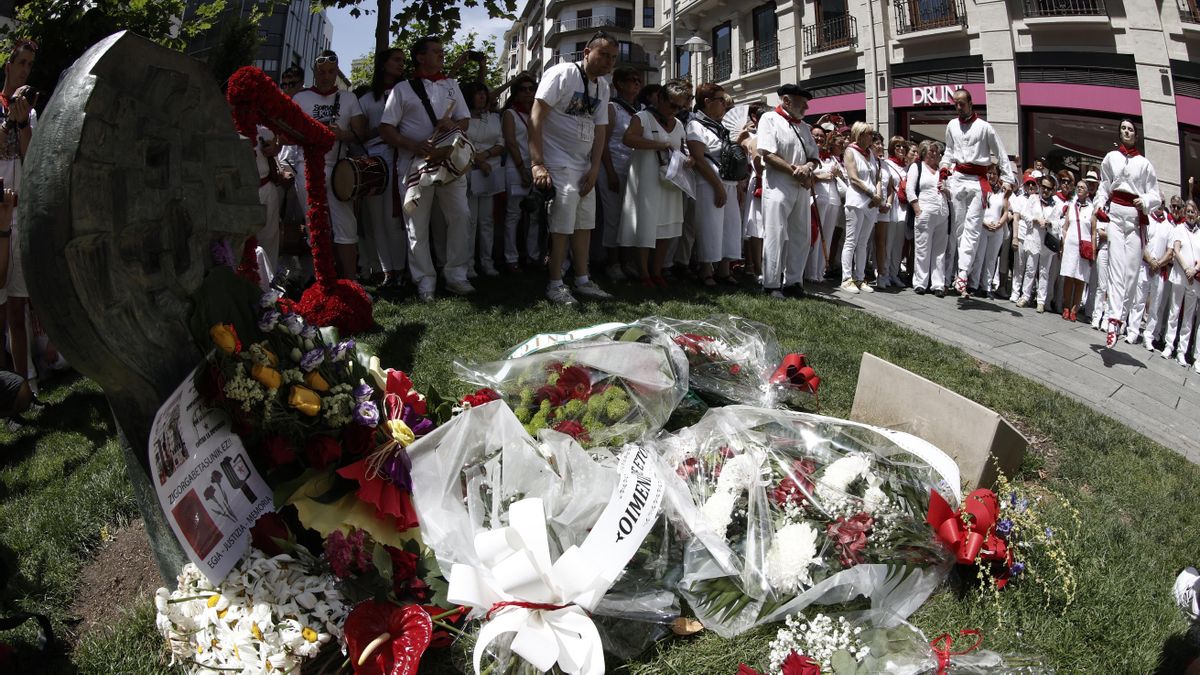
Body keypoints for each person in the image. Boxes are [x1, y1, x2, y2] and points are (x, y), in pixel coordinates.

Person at [529, 31, 618, 306]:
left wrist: (594, 167)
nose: (609, 62)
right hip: (557, 161)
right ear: (587, 53)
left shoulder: (603, 86)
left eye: (613, 58)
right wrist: (537, 163)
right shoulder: (563, 73)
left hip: (583, 165)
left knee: (584, 224)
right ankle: (555, 283)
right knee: (561, 225)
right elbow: (536, 116)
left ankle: (582, 279)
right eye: (604, 55)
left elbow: (600, 130)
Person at [379, 37, 472, 301]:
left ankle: (456, 276)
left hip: (448, 163)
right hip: (414, 165)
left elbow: (465, 120)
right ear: (420, 57)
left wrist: (452, 126)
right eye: (436, 51)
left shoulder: (452, 85)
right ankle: (424, 281)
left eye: (442, 51)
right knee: (416, 225)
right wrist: (413, 145)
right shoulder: (403, 89)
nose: (442, 55)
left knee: (461, 216)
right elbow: (386, 128)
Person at [291, 50, 368, 280]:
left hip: (338, 168)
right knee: (314, 224)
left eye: (331, 72)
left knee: (346, 225)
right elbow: (285, 134)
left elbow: (361, 134)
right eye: (322, 72)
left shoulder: (348, 98)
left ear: (336, 72)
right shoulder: (300, 99)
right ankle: (322, 279)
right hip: (306, 165)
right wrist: (309, 133)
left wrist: (342, 134)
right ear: (314, 73)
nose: (326, 76)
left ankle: (350, 280)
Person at [941, 88, 1016, 298]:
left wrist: (1008, 178)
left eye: (962, 103)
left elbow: (1000, 152)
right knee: (959, 229)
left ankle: (963, 273)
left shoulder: (984, 127)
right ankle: (961, 271)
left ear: (971, 103)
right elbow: (949, 150)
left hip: (977, 181)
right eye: (955, 104)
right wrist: (944, 166)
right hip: (958, 179)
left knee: (973, 228)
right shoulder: (952, 125)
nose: (958, 107)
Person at [617, 81, 690, 285]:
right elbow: (628, 139)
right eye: (672, 105)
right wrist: (658, 144)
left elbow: (682, 149)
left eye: (679, 107)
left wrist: (689, 160)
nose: (674, 110)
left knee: (666, 226)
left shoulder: (679, 124)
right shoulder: (642, 117)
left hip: (670, 182)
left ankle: (657, 271)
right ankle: (644, 273)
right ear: (660, 98)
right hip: (647, 179)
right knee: (646, 224)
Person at [1096, 119, 1161, 348]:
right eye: (1123, 128)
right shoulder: (1111, 157)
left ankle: (1121, 317)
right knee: (1115, 268)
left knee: (1131, 273)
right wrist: (1099, 204)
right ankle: (1113, 320)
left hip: (1134, 220)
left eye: (1130, 129)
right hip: (1115, 216)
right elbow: (1104, 185)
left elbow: (1155, 195)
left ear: (1136, 135)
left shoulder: (1144, 164)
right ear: (1119, 133)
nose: (1126, 131)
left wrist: (1144, 200)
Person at [758, 84, 819, 298]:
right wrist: (795, 171)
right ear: (786, 101)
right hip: (778, 184)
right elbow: (767, 154)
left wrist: (807, 168)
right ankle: (771, 283)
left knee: (801, 234)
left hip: (801, 186)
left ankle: (794, 281)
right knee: (774, 232)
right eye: (802, 103)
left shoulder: (804, 127)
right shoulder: (769, 119)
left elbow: (814, 157)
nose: (806, 108)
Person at [1, 40, 38, 386]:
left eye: (30, 64)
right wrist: (6, 124)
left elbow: (31, 157)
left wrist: (23, 121)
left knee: (18, 306)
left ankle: (26, 384)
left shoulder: (31, 111)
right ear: (8, 65)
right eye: (21, 62)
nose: (25, 70)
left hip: (20, 214)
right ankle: (7, 391)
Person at [358, 48, 408, 288]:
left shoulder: (408, 91)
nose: (401, 64)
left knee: (395, 218)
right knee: (377, 219)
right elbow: (360, 134)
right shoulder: (367, 99)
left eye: (403, 61)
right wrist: (383, 128)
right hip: (376, 161)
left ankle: (401, 269)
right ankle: (387, 270)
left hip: (403, 155)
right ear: (383, 64)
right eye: (396, 60)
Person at [687, 83, 744, 286]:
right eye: (720, 100)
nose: (724, 104)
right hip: (708, 182)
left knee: (731, 226)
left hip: (728, 181)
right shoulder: (695, 125)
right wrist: (718, 186)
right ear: (707, 102)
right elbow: (698, 158)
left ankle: (724, 270)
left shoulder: (721, 126)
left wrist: (737, 185)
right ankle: (705, 270)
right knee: (710, 226)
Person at [599, 66, 642, 281]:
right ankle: (613, 262)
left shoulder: (641, 110)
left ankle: (628, 261)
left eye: (638, 80)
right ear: (620, 84)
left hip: (634, 170)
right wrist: (609, 172)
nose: (637, 83)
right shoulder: (611, 108)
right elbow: (603, 143)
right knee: (613, 216)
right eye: (632, 79)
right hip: (613, 166)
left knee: (631, 217)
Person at [462, 81, 506, 277]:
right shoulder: (462, 119)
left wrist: (485, 156)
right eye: (477, 93)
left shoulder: (495, 118)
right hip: (469, 172)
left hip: (490, 173)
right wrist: (479, 161)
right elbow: (461, 144)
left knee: (487, 220)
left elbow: (501, 143)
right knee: (470, 221)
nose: (482, 96)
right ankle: (468, 264)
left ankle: (487, 262)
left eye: (484, 93)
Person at [500, 73, 537, 271]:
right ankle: (511, 257)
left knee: (535, 214)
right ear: (515, 93)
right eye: (523, 89)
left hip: (537, 168)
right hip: (516, 168)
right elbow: (511, 143)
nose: (528, 93)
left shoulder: (537, 113)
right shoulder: (510, 114)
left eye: (531, 89)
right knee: (513, 214)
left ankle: (533, 255)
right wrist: (522, 169)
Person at [841, 121, 882, 294]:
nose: (872, 137)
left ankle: (859, 277)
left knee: (863, 242)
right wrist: (872, 194)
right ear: (860, 135)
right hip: (857, 200)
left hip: (871, 203)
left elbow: (877, 177)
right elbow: (853, 178)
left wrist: (878, 195)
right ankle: (846, 278)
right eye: (869, 133)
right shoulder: (850, 151)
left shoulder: (870, 153)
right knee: (851, 240)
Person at [1126, 199, 1174, 349]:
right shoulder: (1147, 220)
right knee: (1139, 301)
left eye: (1163, 202)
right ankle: (1133, 332)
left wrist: (1157, 264)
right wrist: (1150, 261)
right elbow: (1142, 242)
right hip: (1145, 265)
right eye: (1158, 201)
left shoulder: (1169, 226)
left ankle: (1148, 336)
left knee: (1155, 306)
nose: (1160, 204)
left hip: (1159, 270)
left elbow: (1170, 251)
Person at [907, 140, 949, 296]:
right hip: (925, 211)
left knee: (940, 251)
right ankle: (920, 283)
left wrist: (946, 189)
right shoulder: (917, 167)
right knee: (923, 248)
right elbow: (910, 189)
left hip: (942, 213)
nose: (934, 154)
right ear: (924, 152)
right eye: (931, 150)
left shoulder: (942, 171)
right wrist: (917, 209)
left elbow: (952, 194)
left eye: (937, 151)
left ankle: (938, 284)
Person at [1161, 200, 1200, 368]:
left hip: (1193, 280)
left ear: (1198, 214)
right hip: (1179, 276)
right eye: (1188, 211)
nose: (1190, 214)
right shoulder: (1179, 229)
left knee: (1188, 318)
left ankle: (1181, 352)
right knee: (1174, 311)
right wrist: (1186, 269)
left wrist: (1194, 270)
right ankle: (1169, 345)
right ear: (1185, 213)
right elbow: (1176, 251)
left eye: (1193, 211)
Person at [1017, 175, 1063, 312]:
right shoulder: (1033, 198)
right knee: (1030, 269)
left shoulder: (1056, 204)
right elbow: (1024, 214)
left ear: (1053, 189)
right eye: (1044, 187)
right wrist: (1035, 219)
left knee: (1044, 271)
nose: (1045, 190)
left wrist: (1049, 223)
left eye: (1049, 188)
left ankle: (1041, 300)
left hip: (1046, 241)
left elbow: (1058, 224)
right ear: (1040, 187)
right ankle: (1025, 296)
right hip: (1034, 238)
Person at [807, 124, 842, 283]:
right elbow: (807, 175)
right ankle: (811, 272)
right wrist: (821, 177)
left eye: (822, 136)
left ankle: (820, 272)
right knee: (816, 236)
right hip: (817, 197)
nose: (819, 138)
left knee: (827, 237)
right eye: (816, 135)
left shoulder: (831, 157)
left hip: (833, 199)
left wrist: (836, 173)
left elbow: (841, 175)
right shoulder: (809, 155)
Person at [875, 136, 908, 289]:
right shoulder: (887, 164)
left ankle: (894, 273)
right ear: (892, 148)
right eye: (897, 146)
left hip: (903, 207)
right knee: (887, 242)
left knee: (898, 244)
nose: (901, 149)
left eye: (903, 146)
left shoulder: (907, 167)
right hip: (891, 206)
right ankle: (884, 273)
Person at [1059, 180, 1094, 321]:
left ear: (1088, 192)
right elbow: (1065, 226)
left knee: (1080, 279)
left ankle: (1075, 309)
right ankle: (1066, 307)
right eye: (1078, 187)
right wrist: (1064, 243)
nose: (1079, 189)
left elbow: (1093, 232)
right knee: (1068, 276)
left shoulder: (1092, 209)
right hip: (1070, 245)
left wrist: (1093, 251)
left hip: (1084, 247)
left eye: (1082, 187)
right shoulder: (1071, 206)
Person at [974, 165, 1010, 299]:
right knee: (979, 257)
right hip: (983, 226)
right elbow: (977, 209)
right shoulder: (982, 188)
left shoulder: (1003, 192)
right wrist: (984, 223)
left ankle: (987, 286)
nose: (992, 176)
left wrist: (999, 224)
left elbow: (1006, 211)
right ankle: (974, 284)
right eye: (989, 173)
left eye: (995, 174)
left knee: (991, 259)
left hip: (997, 229)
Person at [741, 103, 767, 282]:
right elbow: (757, 163)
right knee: (757, 226)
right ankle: (757, 267)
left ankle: (767, 265)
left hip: (771, 182)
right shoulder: (753, 137)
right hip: (758, 181)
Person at [1008, 171, 1037, 304]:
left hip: (1034, 238)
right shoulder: (1019, 199)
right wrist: (1015, 237)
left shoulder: (1038, 200)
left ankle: (1026, 295)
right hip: (1021, 235)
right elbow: (1016, 219)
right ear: (1024, 186)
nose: (1030, 186)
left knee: (1030, 268)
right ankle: (1015, 292)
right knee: (1019, 266)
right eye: (1028, 184)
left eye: (1033, 184)